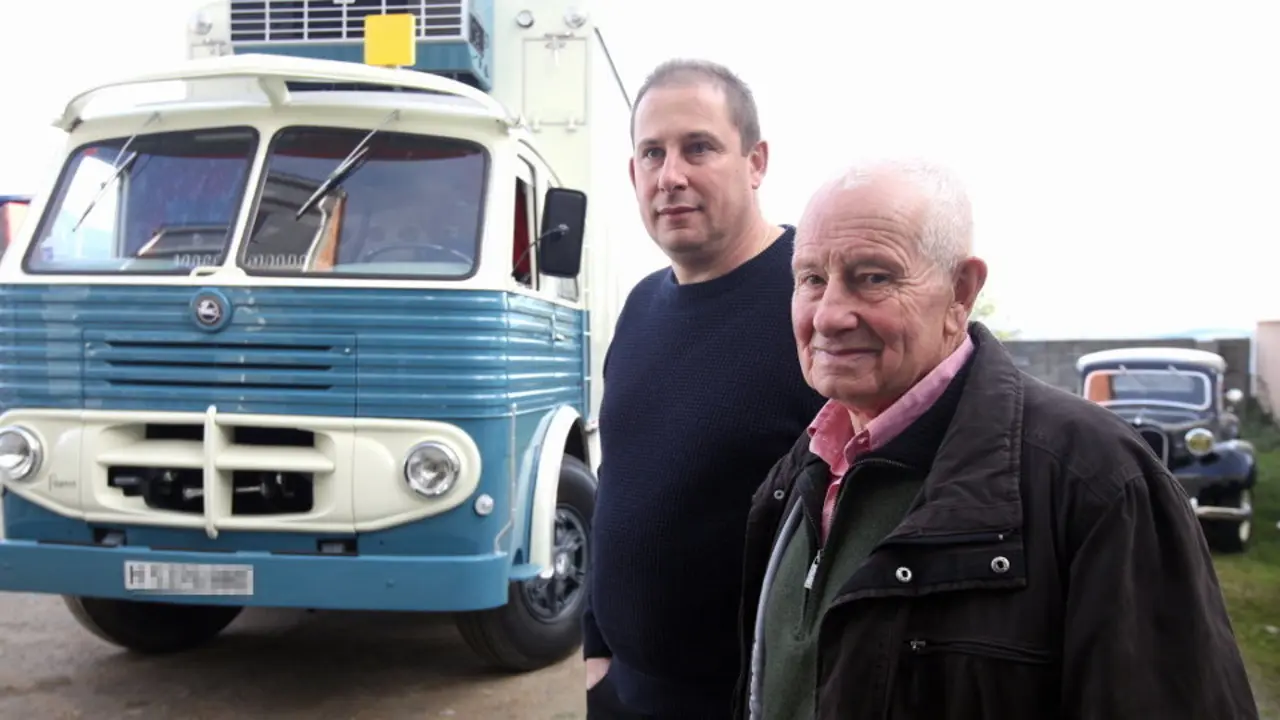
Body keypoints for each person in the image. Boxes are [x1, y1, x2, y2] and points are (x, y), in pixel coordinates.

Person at [732, 159, 1259, 720]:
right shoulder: (803, 469)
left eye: (874, 277)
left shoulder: (1100, 482)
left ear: (960, 291)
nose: (830, 315)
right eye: (812, 279)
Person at [583, 59, 827, 719]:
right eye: (652, 153)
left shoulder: (818, 307)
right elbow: (619, 485)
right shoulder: (639, 308)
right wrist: (595, 649)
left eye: (699, 148)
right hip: (623, 693)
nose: (672, 176)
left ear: (756, 162)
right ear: (633, 173)